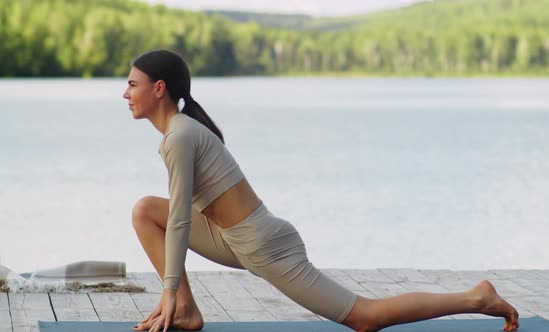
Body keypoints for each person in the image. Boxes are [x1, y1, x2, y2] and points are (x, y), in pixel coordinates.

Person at [124, 49, 519, 332]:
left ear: (158, 88)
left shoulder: (179, 135)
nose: (125, 94)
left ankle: (474, 299)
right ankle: (188, 312)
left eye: (132, 84)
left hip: (265, 246)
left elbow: (178, 220)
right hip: (231, 237)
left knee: (366, 318)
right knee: (145, 211)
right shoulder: (178, 133)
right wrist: (177, 295)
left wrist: (169, 290)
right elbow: (173, 217)